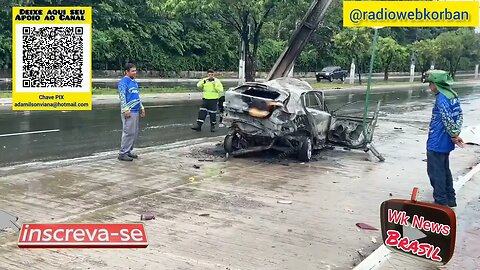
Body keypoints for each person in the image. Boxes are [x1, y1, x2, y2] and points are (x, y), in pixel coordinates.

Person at [424, 70, 464, 207]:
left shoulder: (441, 98)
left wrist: (454, 135)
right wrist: (455, 134)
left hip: (437, 141)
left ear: (436, 84)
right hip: (446, 141)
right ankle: (450, 199)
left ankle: (440, 202)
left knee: (436, 172)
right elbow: (459, 115)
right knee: (445, 170)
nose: (429, 86)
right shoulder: (453, 95)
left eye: (430, 83)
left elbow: (446, 118)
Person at [117, 63, 145, 161]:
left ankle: (128, 151)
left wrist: (142, 108)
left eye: (135, 70)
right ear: (127, 71)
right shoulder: (123, 82)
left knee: (134, 132)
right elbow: (122, 96)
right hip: (129, 111)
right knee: (128, 132)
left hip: (136, 110)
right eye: (132, 71)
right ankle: (123, 153)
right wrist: (126, 109)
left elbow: (137, 96)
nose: (135, 72)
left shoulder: (134, 82)